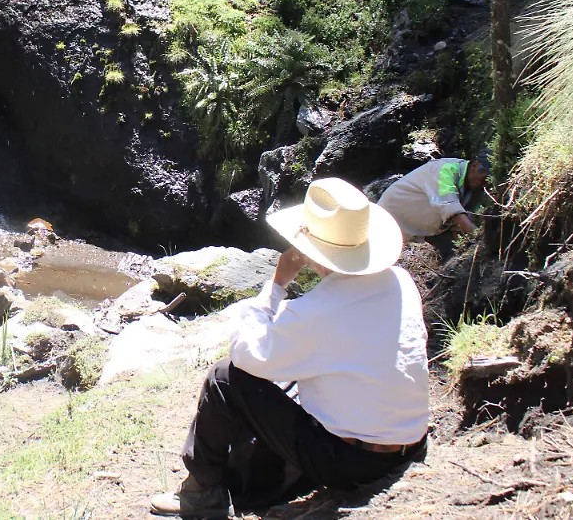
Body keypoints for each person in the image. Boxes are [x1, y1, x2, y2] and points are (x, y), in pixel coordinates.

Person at [150, 177, 429, 518]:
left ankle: (201, 494)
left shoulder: (316, 311)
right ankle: (255, 482)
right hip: (410, 445)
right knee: (292, 382)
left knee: (225, 378)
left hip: (352, 463)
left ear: (311, 251)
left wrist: (277, 285)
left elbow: (246, 355)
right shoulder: (402, 281)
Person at [377, 153, 490, 245]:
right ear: (475, 165)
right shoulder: (445, 170)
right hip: (387, 216)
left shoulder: (472, 188)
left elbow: (460, 223)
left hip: (423, 226)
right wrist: (481, 238)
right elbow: (451, 209)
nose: (487, 181)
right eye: (486, 176)